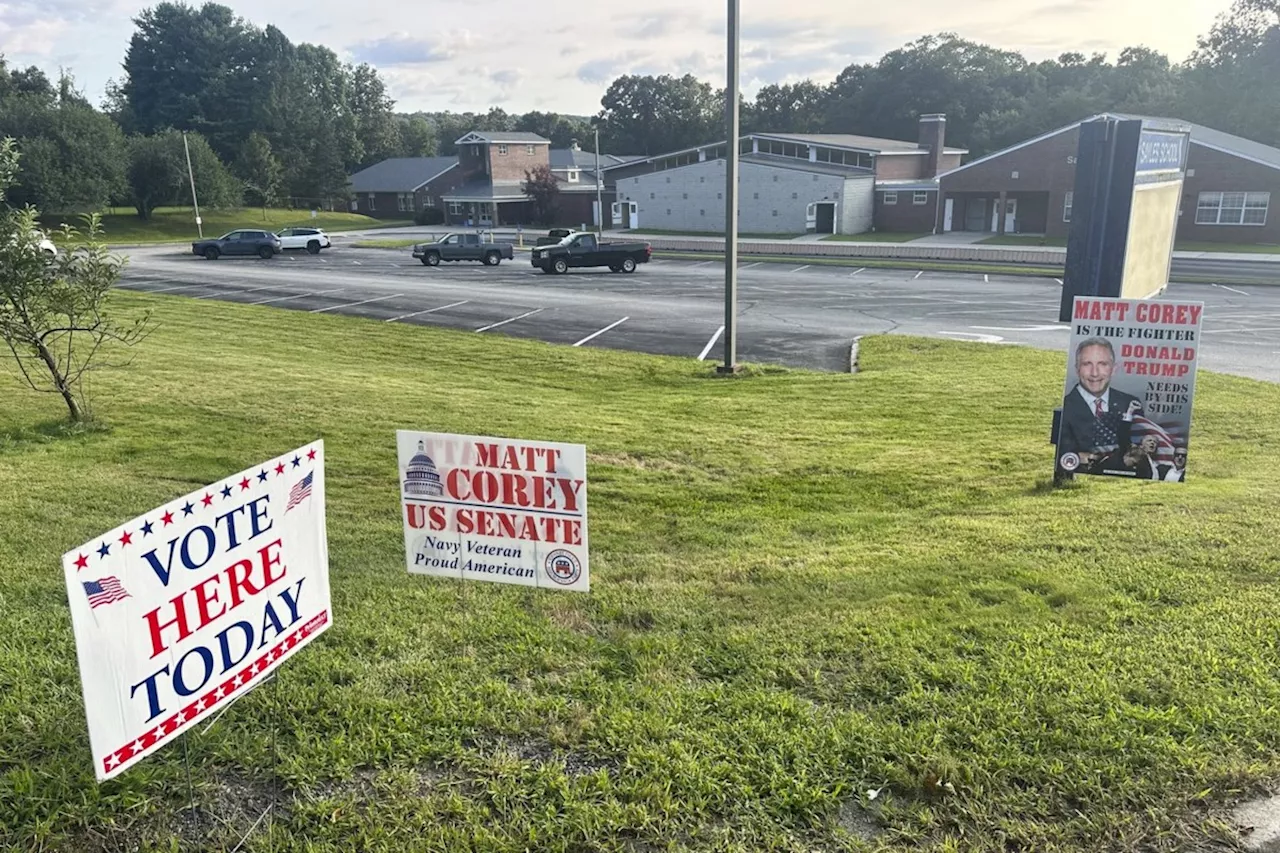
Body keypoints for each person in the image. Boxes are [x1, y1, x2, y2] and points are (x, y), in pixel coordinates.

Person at [1058, 337, 1144, 473]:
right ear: (1077, 369)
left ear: (1113, 369)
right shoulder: (1065, 405)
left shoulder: (1130, 403)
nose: (1094, 373)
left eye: (1102, 364)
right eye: (1087, 364)